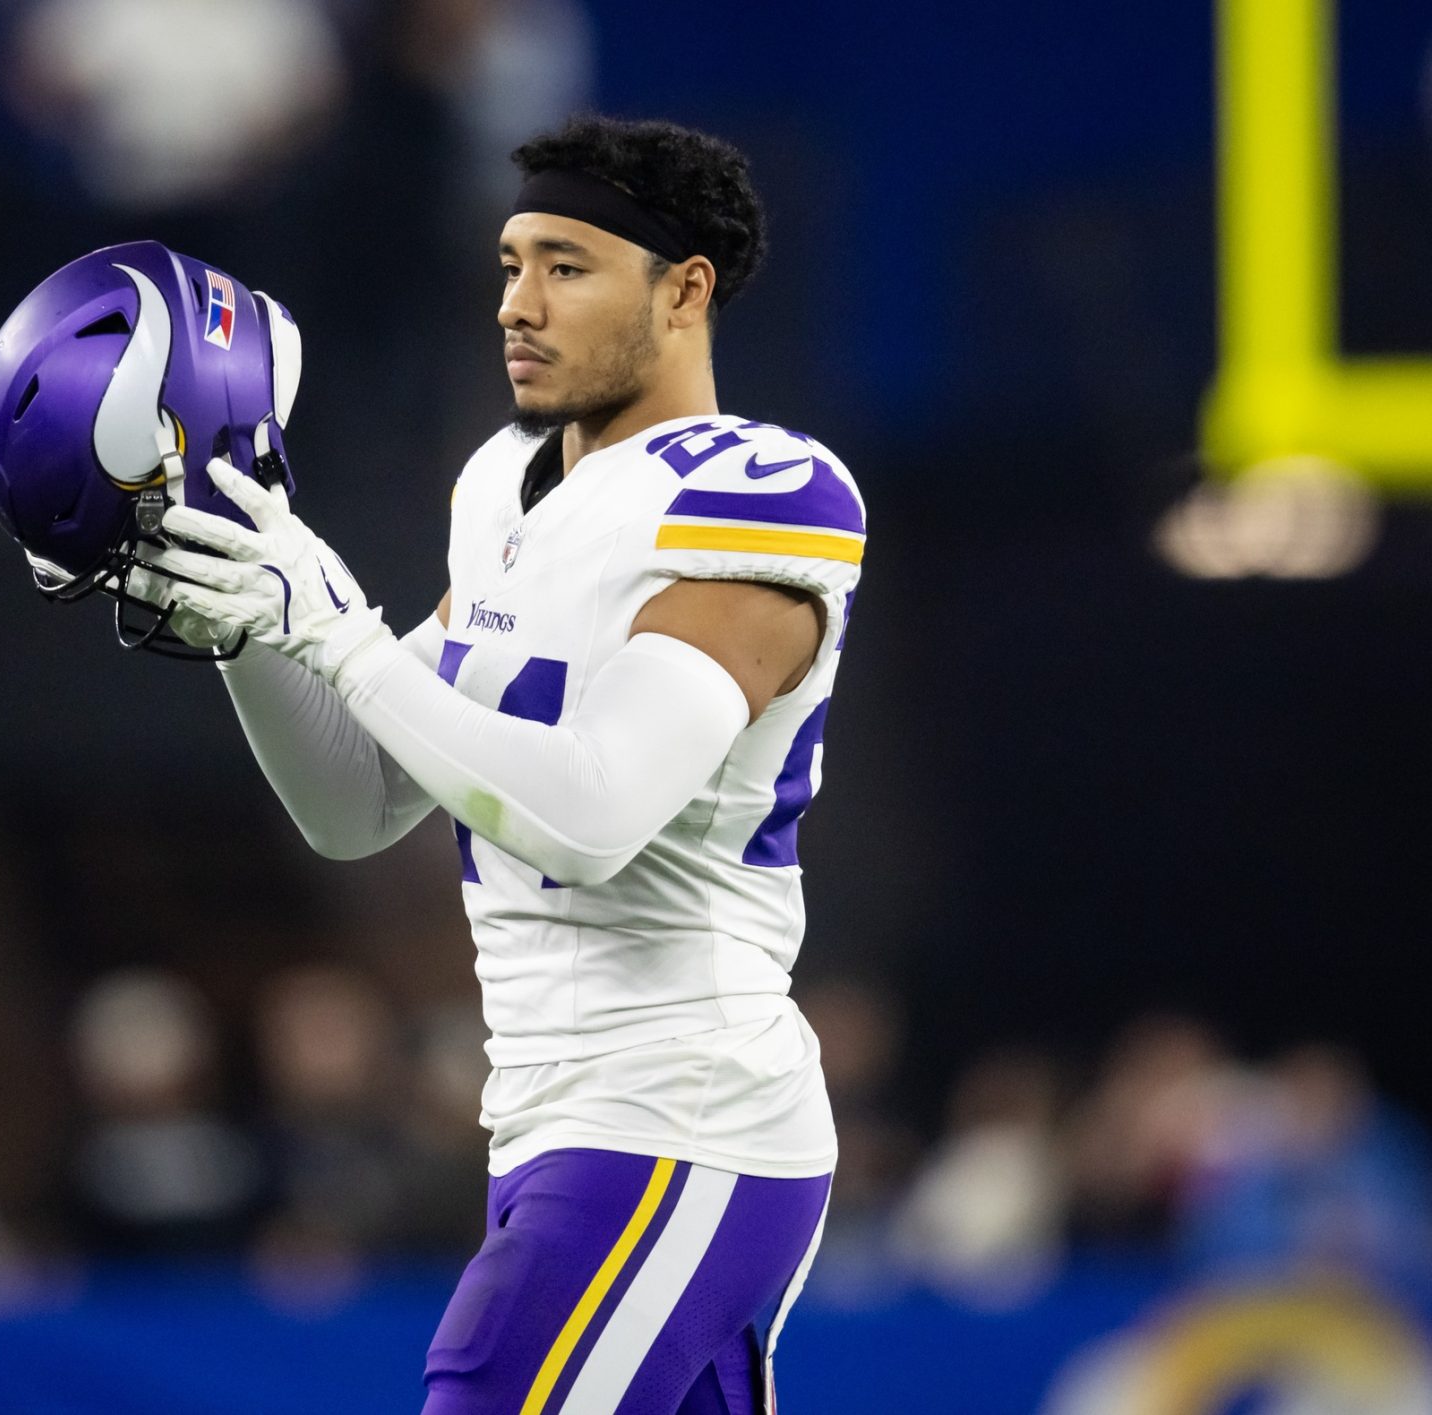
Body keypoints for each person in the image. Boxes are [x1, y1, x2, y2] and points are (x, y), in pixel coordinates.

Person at [137, 115, 864, 1414]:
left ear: (685, 287)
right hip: (552, 1121)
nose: (518, 306)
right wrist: (254, 628)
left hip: (678, 1117)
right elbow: (357, 803)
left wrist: (340, 633)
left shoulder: (764, 493)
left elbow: (591, 817)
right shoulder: (505, 489)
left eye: (568, 266)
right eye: (511, 264)